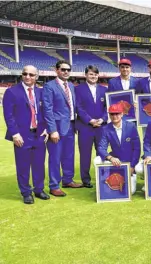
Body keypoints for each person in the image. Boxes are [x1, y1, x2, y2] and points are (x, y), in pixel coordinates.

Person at [3, 65, 49, 204]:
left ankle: (39, 189)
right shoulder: (12, 92)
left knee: (39, 164)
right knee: (23, 165)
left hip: (39, 134)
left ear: (37, 77)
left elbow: (46, 112)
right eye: (25, 74)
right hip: (22, 135)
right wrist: (15, 134)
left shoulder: (41, 92)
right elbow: (8, 115)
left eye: (31, 74)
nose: (28, 77)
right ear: (22, 75)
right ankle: (26, 192)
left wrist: (47, 129)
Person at [43, 60, 82, 197]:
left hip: (71, 125)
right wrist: (52, 130)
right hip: (57, 128)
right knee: (55, 157)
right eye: (63, 69)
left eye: (68, 70)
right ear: (57, 70)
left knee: (69, 155)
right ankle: (54, 185)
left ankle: (67, 180)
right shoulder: (49, 86)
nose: (66, 72)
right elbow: (47, 109)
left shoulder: (71, 85)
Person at [95, 104, 141, 194]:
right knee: (97, 159)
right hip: (114, 161)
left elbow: (137, 148)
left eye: (117, 114)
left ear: (122, 114)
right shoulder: (105, 129)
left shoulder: (131, 126)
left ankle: (132, 176)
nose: (114, 116)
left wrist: (132, 166)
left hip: (128, 163)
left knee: (130, 191)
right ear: (109, 115)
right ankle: (103, 180)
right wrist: (110, 158)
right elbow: (101, 147)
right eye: (112, 114)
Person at [75, 65, 108, 188]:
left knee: (102, 153)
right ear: (86, 75)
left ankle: (103, 177)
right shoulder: (78, 89)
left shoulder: (104, 90)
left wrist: (102, 119)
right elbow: (79, 107)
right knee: (85, 154)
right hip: (85, 127)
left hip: (101, 127)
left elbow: (107, 108)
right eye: (91, 74)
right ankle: (86, 179)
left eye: (95, 74)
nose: (93, 76)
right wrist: (89, 120)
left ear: (98, 76)